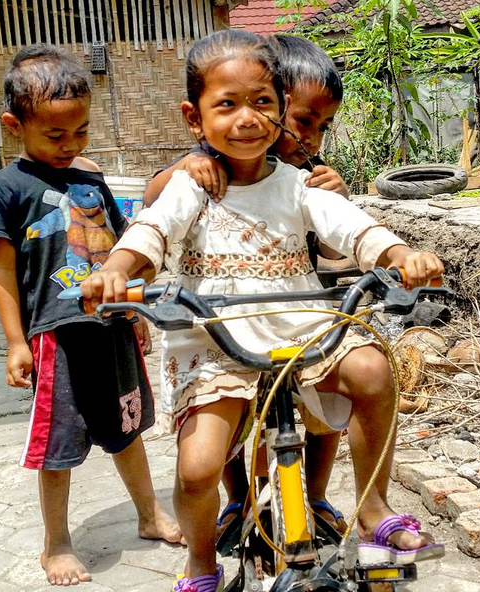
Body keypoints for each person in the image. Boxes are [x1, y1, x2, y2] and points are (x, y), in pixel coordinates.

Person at [80, 29, 445, 592]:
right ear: (194, 117)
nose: (246, 118)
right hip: (216, 337)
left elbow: (348, 226)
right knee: (199, 465)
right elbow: (151, 232)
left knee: (373, 368)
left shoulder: (300, 185)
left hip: (303, 324)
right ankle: (201, 562)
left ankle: (372, 507)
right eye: (226, 105)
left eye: (262, 103)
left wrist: (399, 254)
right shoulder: (192, 185)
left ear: (279, 111)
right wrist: (116, 270)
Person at [0, 44, 182, 587]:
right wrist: (15, 341)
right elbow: (2, 273)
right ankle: (57, 544)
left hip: (113, 329)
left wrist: (136, 306)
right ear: (13, 125)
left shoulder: (92, 182)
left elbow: (126, 246)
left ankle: (149, 514)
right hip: (55, 337)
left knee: (127, 427)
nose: (70, 145)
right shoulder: (5, 189)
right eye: (55, 135)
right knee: (57, 445)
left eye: (81, 132)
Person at [142, 34, 351, 541]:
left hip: (302, 307)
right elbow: (154, 204)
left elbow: (336, 251)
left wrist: (338, 199)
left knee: (323, 415)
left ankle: (315, 496)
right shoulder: (207, 165)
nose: (313, 138)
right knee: (231, 418)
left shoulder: (304, 178)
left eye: (323, 126)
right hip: (232, 317)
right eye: (303, 121)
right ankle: (238, 499)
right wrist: (183, 167)